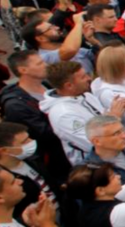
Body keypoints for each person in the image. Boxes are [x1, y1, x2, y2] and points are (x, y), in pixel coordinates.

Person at [0, 50, 72, 184]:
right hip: (57, 163)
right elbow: (44, 134)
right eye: (39, 63)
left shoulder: (46, 85)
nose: (45, 65)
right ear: (23, 70)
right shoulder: (16, 105)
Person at [40, 61, 125, 166]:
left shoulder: (86, 95)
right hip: (101, 166)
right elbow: (93, 143)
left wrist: (117, 108)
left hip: (120, 154)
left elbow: (101, 118)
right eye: (83, 77)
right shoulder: (63, 114)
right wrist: (115, 117)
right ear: (69, 85)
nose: (89, 78)